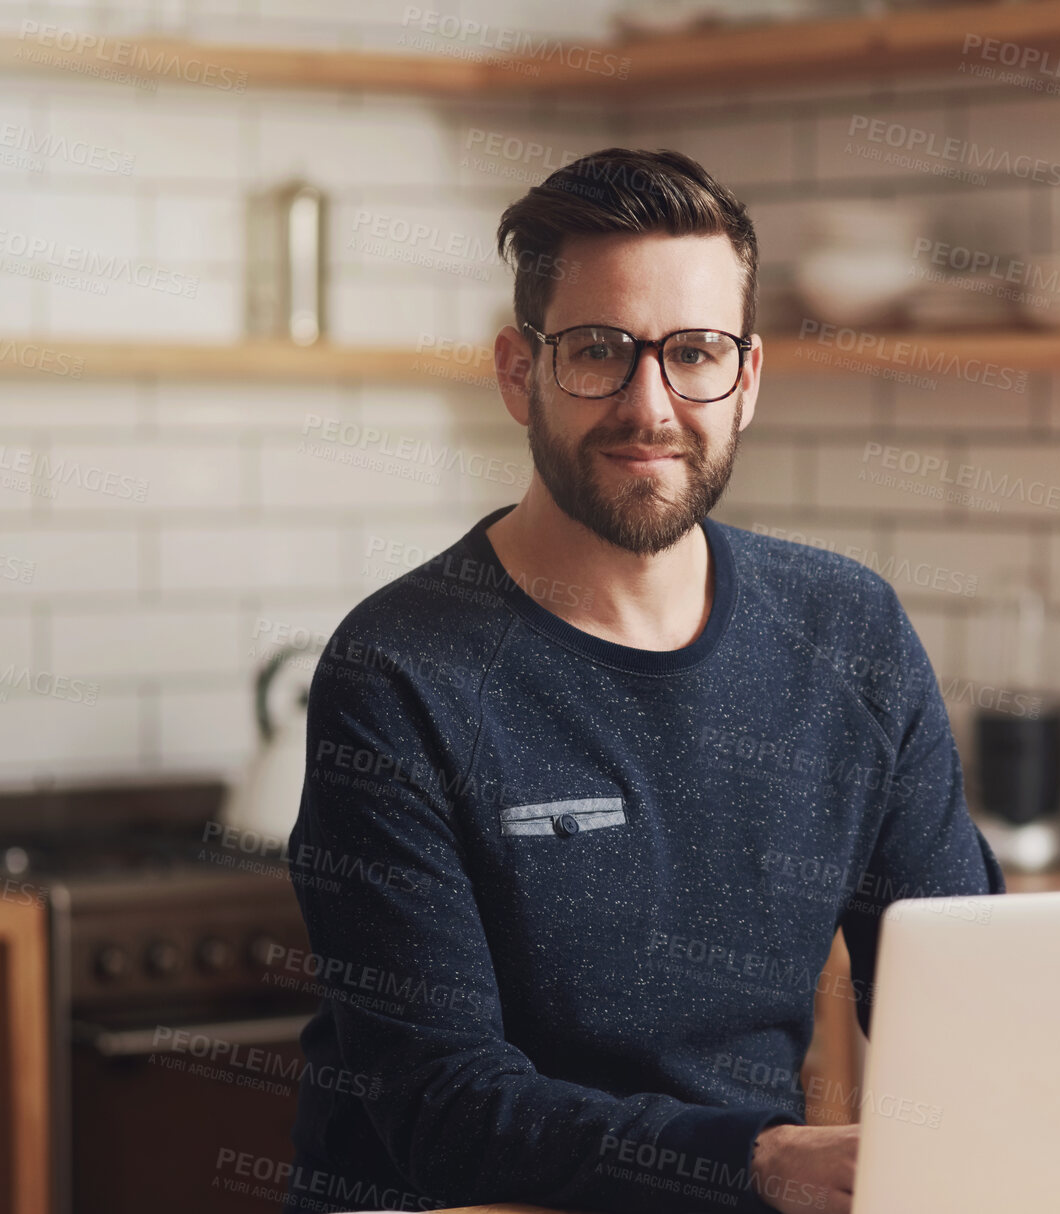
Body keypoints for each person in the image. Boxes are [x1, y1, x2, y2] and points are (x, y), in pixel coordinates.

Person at [282, 147, 1004, 1214]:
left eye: (695, 352)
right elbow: (440, 1104)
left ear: (746, 379)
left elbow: (964, 999)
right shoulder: (401, 669)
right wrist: (758, 1158)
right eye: (597, 351)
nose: (649, 403)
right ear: (518, 371)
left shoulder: (849, 630)